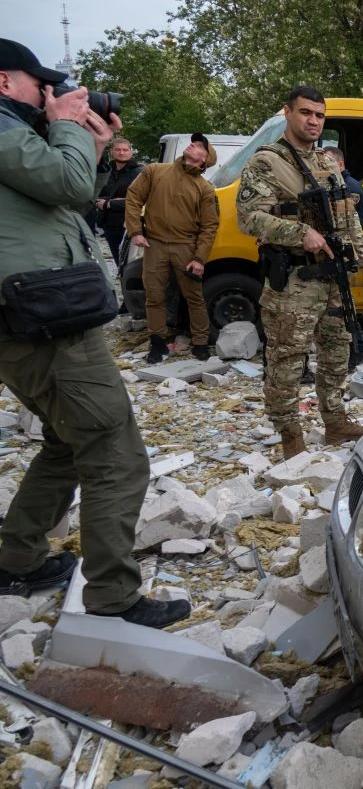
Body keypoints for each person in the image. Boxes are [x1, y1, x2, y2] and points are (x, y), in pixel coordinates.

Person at [0, 38, 190, 628]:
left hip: (30, 317)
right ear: (7, 82)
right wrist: (67, 129)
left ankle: (18, 559)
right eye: (42, 84)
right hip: (46, 322)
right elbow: (68, 187)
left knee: (64, 442)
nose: (51, 95)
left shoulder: (16, 135)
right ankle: (113, 596)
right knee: (115, 451)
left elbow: (55, 203)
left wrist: (95, 145)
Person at [237, 86, 363, 459]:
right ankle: (290, 433)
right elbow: (249, 219)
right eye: (306, 113)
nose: (313, 121)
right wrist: (302, 234)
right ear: (287, 113)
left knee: (337, 351)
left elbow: (348, 217)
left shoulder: (327, 162)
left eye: (319, 115)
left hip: (332, 278)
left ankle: (335, 420)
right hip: (294, 281)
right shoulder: (266, 163)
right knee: (287, 358)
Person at [124, 134, 220, 363]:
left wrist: (199, 258)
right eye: (194, 143)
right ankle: (157, 344)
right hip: (154, 244)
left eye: (199, 146)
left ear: (205, 160)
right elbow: (133, 197)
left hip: (186, 247)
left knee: (194, 297)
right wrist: (135, 231)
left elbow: (209, 226)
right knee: (154, 296)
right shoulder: (155, 171)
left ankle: (200, 344)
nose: (192, 145)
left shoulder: (204, 189)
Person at [93, 136, 143, 270]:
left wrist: (109, 204)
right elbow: (96, 194)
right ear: (111, 152)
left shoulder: (139, 173)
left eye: (125, 150)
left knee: (130, 264)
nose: (121, 153)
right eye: (118, 150)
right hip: (109, 224)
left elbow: (140, 201)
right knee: (118, 263)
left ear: (131, 152)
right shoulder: (106, 171)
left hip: (130, 225)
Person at [325, 146, 363, 226]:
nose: (322, 168)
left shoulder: (353, 188)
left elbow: (357, 224)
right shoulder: (331, 183)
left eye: (327, 164)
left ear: (340, 165)